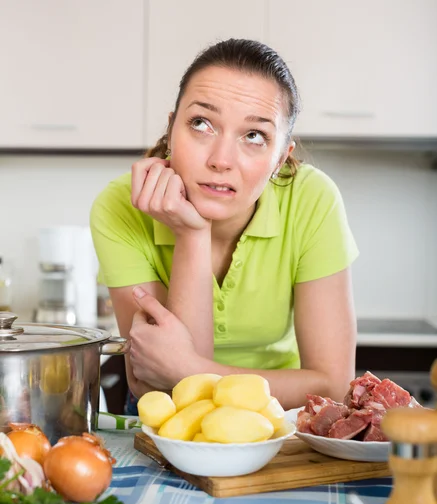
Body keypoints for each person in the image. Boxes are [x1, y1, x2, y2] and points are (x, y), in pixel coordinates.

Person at [90, 38, 359, 414]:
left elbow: (334, 385)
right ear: (171, 130)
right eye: (201, 124)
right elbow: (157, 386)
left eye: (253, 136)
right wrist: (192, 233)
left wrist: (191, 370)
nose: (221, 160)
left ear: (281, 158)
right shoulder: (120, 205)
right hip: (168, 420)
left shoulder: (312, 199)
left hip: (280, 416)